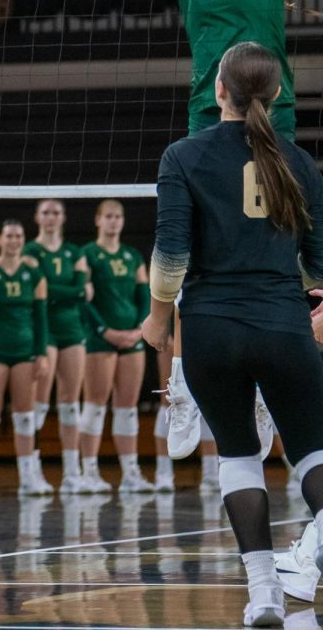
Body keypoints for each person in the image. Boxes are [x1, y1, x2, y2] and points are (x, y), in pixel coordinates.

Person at [65, 0, 295, 460]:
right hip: (205, 126)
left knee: (266, 257)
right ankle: (182, 385)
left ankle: (257, 395)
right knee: (193, 255)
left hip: (269, 127)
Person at [143, 42, 323, 627]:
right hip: (284, 328)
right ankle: (295, 566)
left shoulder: (183, 155)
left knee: (239, 457)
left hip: (212, 331)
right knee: (313, 455)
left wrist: (156, 318)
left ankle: (264, 594)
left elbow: (171, 256)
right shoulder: (298, 162)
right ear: (275, 97)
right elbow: (318, 265)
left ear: (218, 91)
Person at [75, 200, 153, 494]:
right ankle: (89, 472)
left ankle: (131, 473)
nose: (113, 222)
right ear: (98, 220)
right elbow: (85, 299)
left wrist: (138, 329)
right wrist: (104, 330)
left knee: (127, 408)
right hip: (100, 339)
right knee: (95, 406)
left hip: (131, 338)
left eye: (118, 217)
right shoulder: (88, 254)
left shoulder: (132, 256)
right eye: (108, 217)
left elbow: (143, 295)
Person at [0, 220, 50, 496]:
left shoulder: (35, 276)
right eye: (9, 236)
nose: (14, 240)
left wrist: (41, 353)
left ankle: (27, 477)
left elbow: (40, 319)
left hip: (25, 352)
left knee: (25, 417)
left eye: (18, 236)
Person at [22, 199, 88, 494]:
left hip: (72, 330)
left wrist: (57, 289)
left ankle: (72, 473)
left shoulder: (74, 251)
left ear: (63, 218)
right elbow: (40, 289)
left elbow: (86, 292)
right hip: (44, 329)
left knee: (70, 404)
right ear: (37, 217)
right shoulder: (30, 251)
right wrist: (72, 290)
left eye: (56, 212)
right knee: (38, 404)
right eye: (46, 212)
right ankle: (32, 472)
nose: (51, 217)